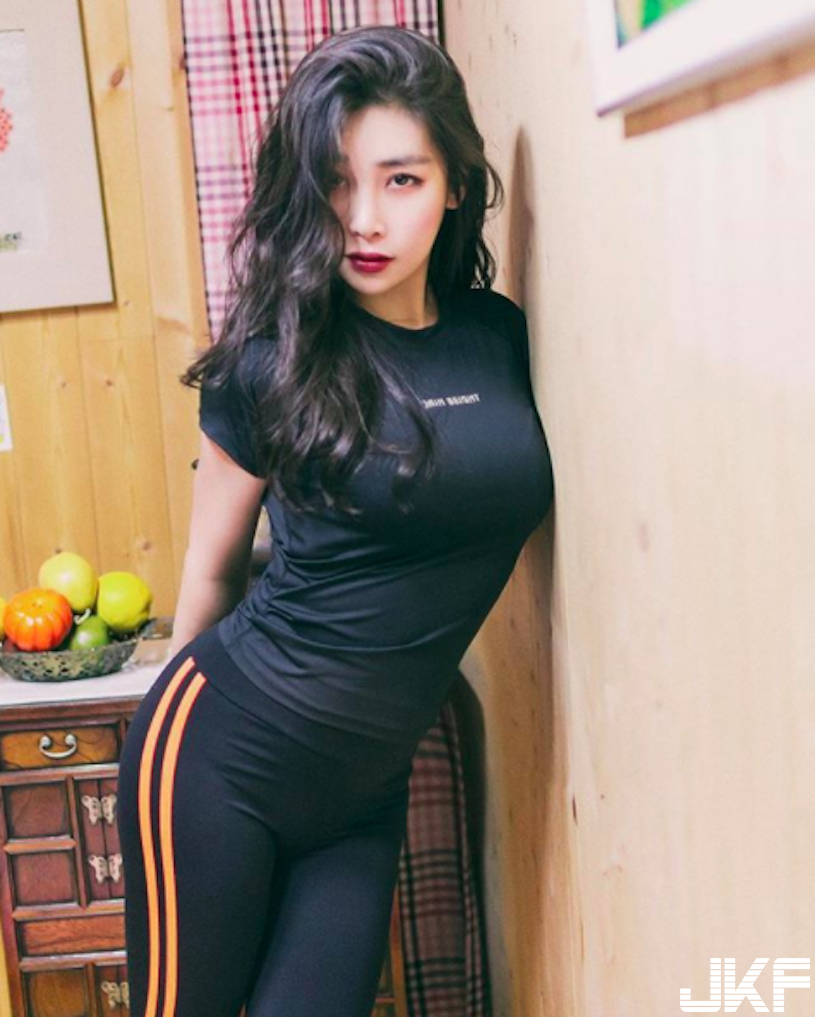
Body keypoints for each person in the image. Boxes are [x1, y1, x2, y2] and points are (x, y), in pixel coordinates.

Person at [117, 23, 554, 1017]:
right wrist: (163, 750)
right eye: (336, 182)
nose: (363, 219)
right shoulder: (271, 361)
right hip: (220, 752)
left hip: (364, 791)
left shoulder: (496, 339)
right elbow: (213, 571)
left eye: (400, 180)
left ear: (454, 184)